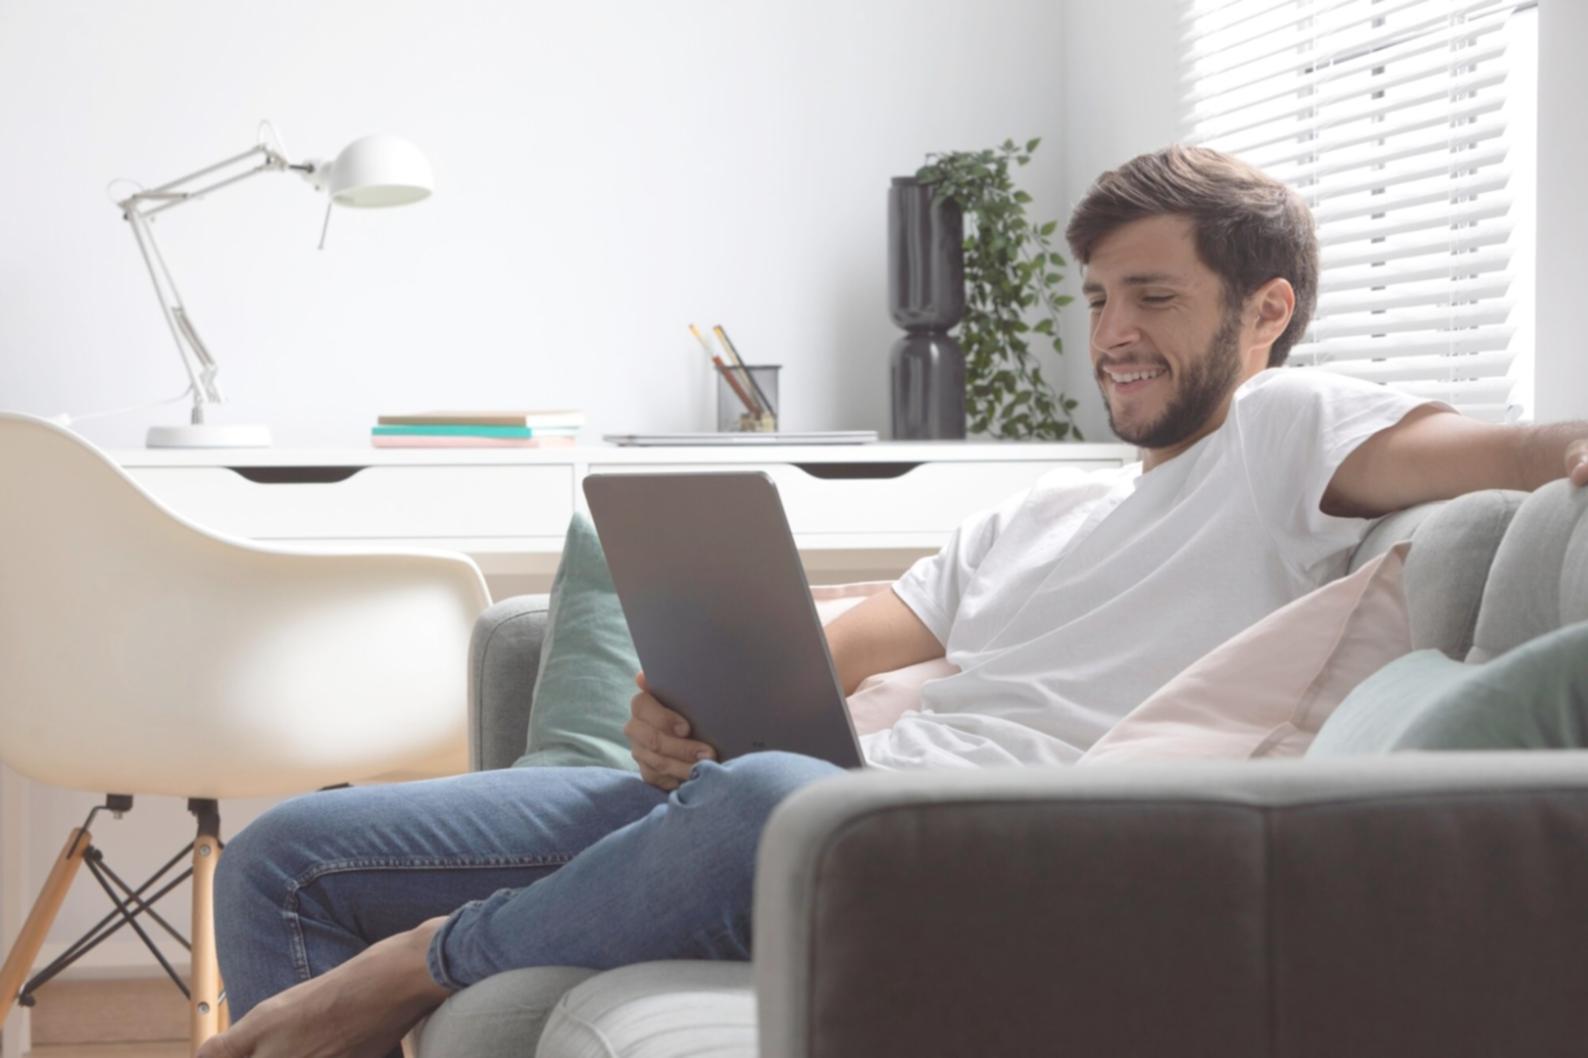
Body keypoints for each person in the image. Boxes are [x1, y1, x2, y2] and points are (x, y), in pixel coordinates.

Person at [198, 145, 1588, 1058]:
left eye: (1154, 297)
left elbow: (1515, 453)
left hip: (944, 852)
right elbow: (826, 659)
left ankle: (418, 965)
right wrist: (672, 706)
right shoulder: (1036, 516)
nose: (1112, 333)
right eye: (1097, 296)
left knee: (774, 800)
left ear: (1267, 310)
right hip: (772, 802)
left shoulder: (1288, 429)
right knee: (287, 852)